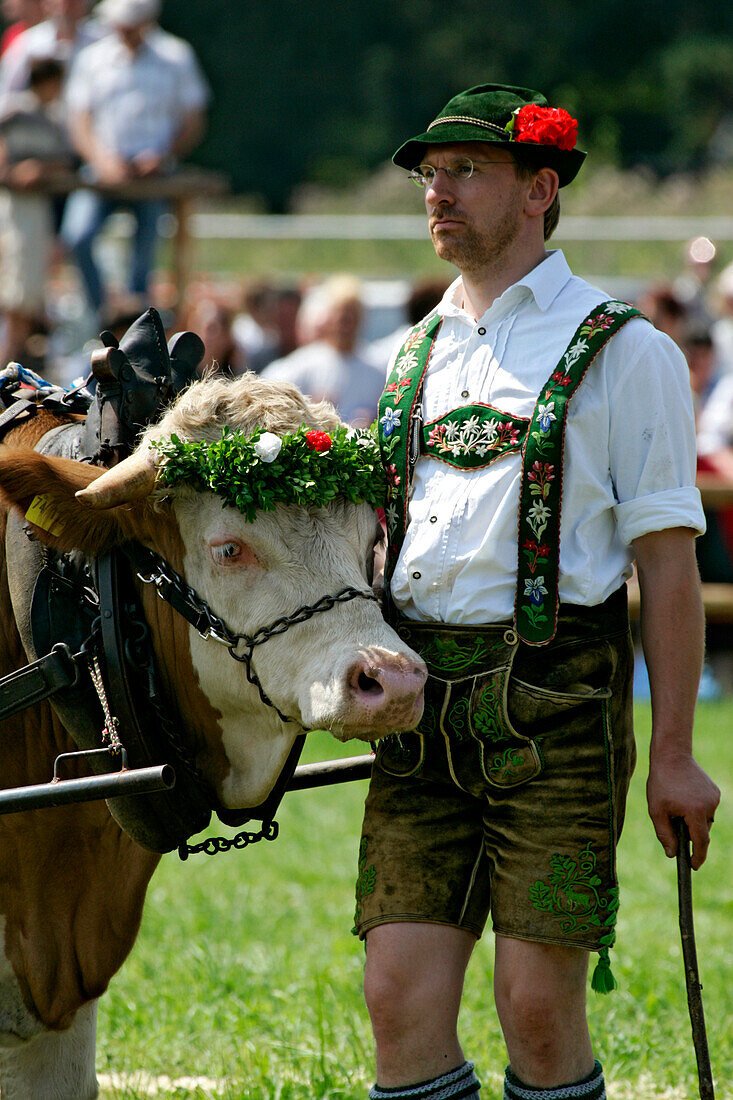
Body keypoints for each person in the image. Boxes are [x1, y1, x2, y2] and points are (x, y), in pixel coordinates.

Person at [355, 83, 720, 1100]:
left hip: (555, 708)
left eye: (466, 170)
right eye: (431, 174)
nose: (438, 192)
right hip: (421, 715)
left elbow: (666, 565)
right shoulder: (415, 349)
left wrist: (676, 755)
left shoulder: (624, 349)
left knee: (538, 1003)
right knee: (394, 990)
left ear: (538, 187)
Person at [59, 0, 209, 316]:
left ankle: (136, 322)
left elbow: (194, 119)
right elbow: (79, 121)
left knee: (144, 254)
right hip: (102, 173)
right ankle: (102, 312)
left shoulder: (176, 56)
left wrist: (163, 155)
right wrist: (102, 160)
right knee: (77, 235)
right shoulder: (93, 59)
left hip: (155, 176)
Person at [0, 55, 75, 364]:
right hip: (14, 208)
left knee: (26, 293)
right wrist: (16, 173)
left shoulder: (54, 119)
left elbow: (64, 162)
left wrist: (39, 169)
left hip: (37, 210)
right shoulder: (14, 113)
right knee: (16, 291)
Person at [262, 274, 385, 426]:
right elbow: (268, 395)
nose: (345, 325)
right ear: (330, 317)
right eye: (341, 317)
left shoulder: (376, 370)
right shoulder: (304, 363)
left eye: (351, 317)